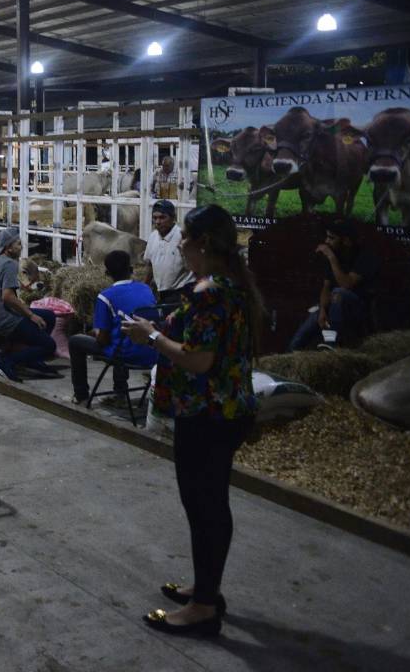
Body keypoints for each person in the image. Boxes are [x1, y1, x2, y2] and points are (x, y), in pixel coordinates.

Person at [121, 204, 263, 638]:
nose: (178, 243)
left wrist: (152, 337)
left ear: (201, 244)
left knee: (203, 505)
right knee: (209, 503)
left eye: (184, 237)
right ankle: (206, 589)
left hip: (207, 411)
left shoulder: (210, 292)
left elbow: (199, 360)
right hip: (226, 410)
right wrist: (162, 326)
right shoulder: (232, 285)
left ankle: (203, 608)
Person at [69, 250, 159, 405]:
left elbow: (102, 340)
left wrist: (95, 332)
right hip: (153, 351)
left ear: (106, 273)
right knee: (121, 332)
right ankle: (120, 392)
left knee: (75, 341)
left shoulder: (105, 296)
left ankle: (81, 394)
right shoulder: (146, 289)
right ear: (131, 269)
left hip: (127, 355)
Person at [0, 227, 58, 379]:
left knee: (49, 316)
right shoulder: (9, 264)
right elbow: (8, 297)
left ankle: (31, 358)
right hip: (3, 318)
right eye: (18, 244)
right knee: (50, 346)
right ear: (8, 247)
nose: (21, 247)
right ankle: (4, 362)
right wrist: (31, 315)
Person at [289, 220, 378, 351]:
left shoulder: (365, 257)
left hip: (357, 307)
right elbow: (326, 287)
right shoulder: (336, 255)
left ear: (346, 241)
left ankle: (331, 342)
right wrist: (323, 310)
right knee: (304, 330)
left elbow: (346, 284)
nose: (327, 241)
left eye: (331, 238)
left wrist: (331, 258)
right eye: (327, 236)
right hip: (333, 305)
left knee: (339, 292)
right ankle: (290, 353)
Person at [144, 200, 193, 304]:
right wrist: (145, 287)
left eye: (162, 217)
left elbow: (193, 268)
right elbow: (150, 265)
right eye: (155, 218)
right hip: (161, 294)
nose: (157, 221)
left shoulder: (182, 237)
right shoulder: (153, 237)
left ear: (173, 218)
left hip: (182, 294)